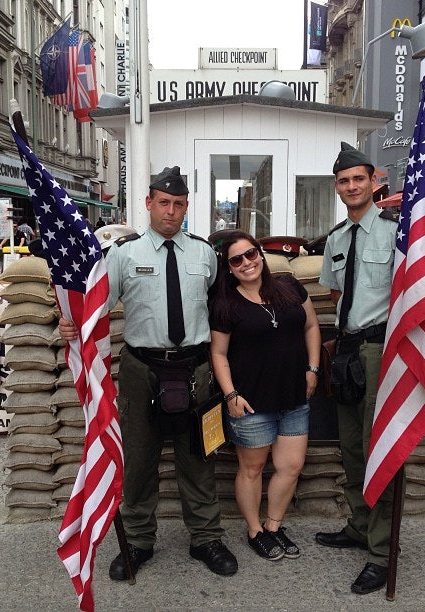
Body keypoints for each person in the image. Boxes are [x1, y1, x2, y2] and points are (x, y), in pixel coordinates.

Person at [58, 166, 238, 581]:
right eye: (163, 203)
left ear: (186, 207)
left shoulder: (204, 253)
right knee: (139, 459)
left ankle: (206, 538)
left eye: (178, 204)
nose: (170, 211)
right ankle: (138, 540)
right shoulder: (124, 254)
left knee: (199, 456)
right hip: (142, 370)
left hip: (195, 370)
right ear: (148, 203)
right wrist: (73, 322)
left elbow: (218, 308)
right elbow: (98, 304)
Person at [315, 142, 398, 595]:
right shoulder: (336, 240)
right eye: (344, 181)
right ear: (337, 187)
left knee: (377, 449)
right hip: (347, 351)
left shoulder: (396, 233)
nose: (351, 187)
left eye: (358, 179)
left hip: (380, 351)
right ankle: (360, 526)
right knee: (350, 447)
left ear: (372, 182)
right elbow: (336, 294)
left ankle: (381, 552)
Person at [209, 231, 321, 562]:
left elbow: (311, 326)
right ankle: (255, 530)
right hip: (251, 401)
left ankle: (274, 525)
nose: (246, 263)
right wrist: (231, 394)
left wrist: (313, 368)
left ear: (260, 254)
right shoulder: (225, 304)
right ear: (229, 268)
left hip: (294, 396)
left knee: (291, 466)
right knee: (252, 468)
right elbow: (218, 353)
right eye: (236, 260)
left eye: (250, 254)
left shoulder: (290, 287)